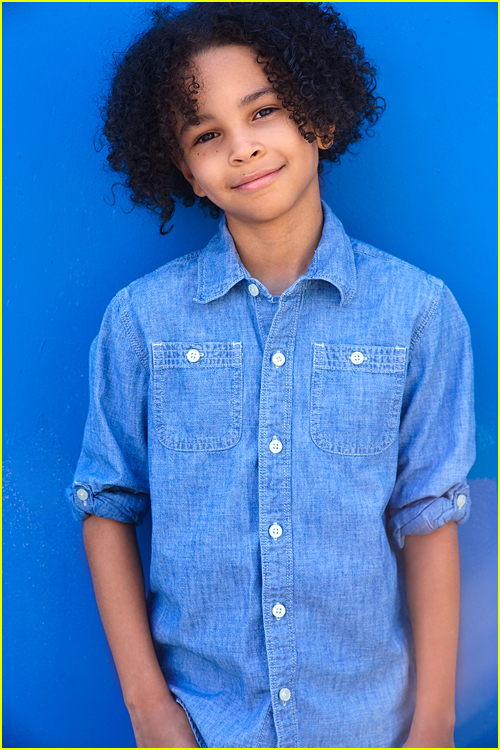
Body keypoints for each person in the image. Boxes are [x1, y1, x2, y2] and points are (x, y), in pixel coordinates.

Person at [67, 3, 475, 748]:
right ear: (183, 169)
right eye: (207, 134)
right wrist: (149, 712)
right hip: (204, 726)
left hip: (369, 726)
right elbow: (107, 502)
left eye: (266, 111)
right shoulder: (142, 322)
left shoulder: (420, 312)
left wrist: (436, 727)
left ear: (317, 115)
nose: (244, 148)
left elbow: (430, 518)